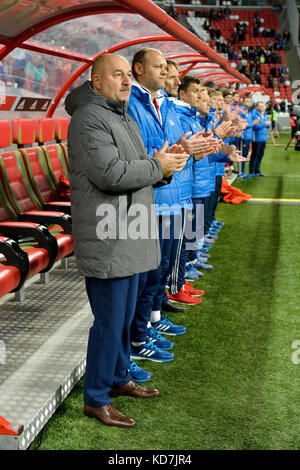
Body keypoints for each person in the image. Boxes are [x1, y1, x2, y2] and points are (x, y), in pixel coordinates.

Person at [65, 53, 189, 428]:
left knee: (120, 321)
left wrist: (163, 166)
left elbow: (138, 166)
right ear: (96, 82)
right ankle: (96, 398)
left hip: (130, 232)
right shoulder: (89, 118)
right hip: (109, 237)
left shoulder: (121, 114)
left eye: (126, 76)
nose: (125, 82)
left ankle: (118, 379)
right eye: (117, 75)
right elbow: (110, 173)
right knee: (109, 321)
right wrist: (157, 167)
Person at [249, 101, 271, 177]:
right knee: (255, 155)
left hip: (264, 138)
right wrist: (265, 124)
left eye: (263, 106)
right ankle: (251, 171)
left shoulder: (264, 114)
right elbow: (255, 126)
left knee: (260, 155)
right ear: (256, 107)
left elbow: (267, 124)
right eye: (260, 106)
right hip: (257, 138)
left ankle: (257, 170)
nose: (262, 108)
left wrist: (268, 125)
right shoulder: (254, 114)